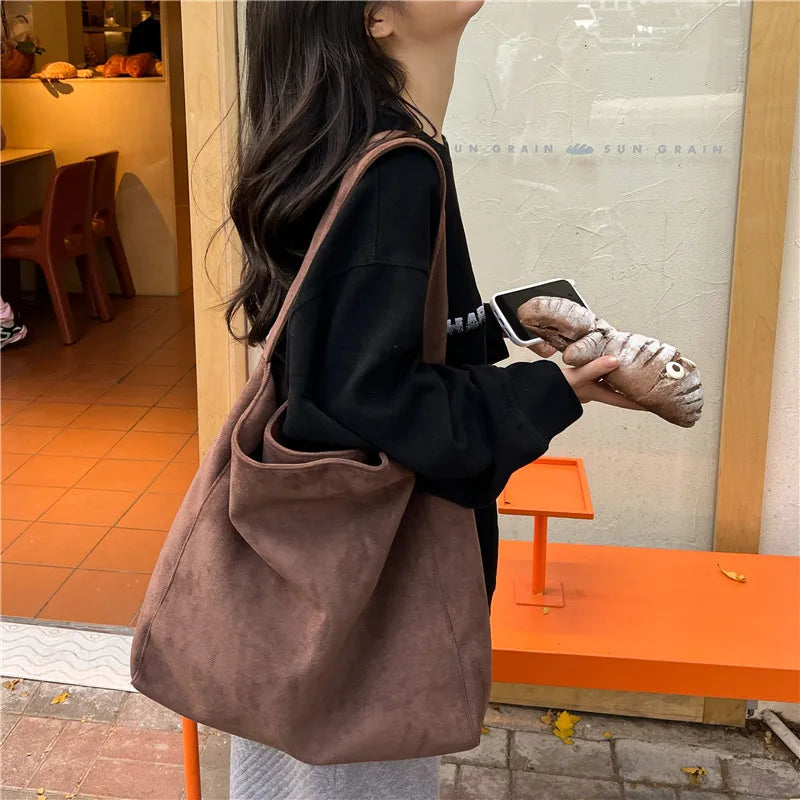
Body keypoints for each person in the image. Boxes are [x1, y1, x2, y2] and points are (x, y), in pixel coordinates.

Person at [226, 3, 642, 798]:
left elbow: (355, 350)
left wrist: (494, 324)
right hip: (375, 585)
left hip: (321, 574)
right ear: (376, 17)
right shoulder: (393, 167)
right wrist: (552, 391)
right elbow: (372, 397)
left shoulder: (371, 146)